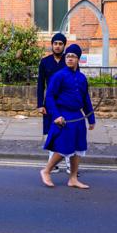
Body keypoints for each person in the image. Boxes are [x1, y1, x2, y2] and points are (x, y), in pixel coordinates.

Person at [40, 44, 95, 189]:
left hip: (78, 116)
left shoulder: (82, 78)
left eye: (73, 56)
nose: (70, 59)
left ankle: (73, 179)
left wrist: (91, 118)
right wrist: (56, 115)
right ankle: (46, 171)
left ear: (78, 59)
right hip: (63, 115)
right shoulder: (59, 76)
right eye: (68, 56)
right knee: (64, 147)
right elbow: (50, 97)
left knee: (77, 147)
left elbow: (86, 99)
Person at [37, 33, 70, 173]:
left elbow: (76, 82)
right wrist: (40, 104)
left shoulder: (69, 61)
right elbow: (40, 84)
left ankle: (70, 165)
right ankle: (53, 165)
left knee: (68, 132)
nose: (57, 46)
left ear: (64, 46)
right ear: (52, 45)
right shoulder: (45, 62)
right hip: (50, 104)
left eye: (60, 44)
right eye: (55, 43)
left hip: (66, 103)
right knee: (52, 133)